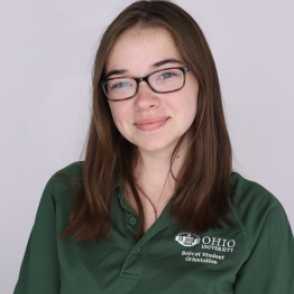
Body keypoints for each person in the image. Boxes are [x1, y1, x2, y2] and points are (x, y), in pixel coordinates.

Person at [13, 1, 294, 293]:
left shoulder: (258, 216)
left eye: (166, 74)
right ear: (105, 98)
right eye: (121, 82)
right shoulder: (66, 194)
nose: (144, 100)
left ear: (201, 79)